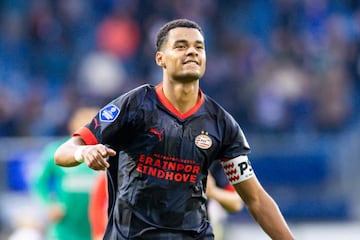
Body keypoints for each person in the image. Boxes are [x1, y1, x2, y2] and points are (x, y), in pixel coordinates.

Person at [54, 18, 295, 239]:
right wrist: (83, 152)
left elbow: (255, 199)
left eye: (199, 47)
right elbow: (63, 153)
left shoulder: (221, 124)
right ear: (160, 58)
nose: (192, 51)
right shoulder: (134, 106)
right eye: (180, 46)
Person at [88, 160, 243, 240]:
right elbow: (103, 196)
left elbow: (236, 203)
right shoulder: (140, 145)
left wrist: (213, 191)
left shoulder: (215, 153)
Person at [32, 107, 100, 240]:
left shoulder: (105, 153)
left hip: (93, 229)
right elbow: (38, 182)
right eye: (84, 123)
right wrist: (50, 204)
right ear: (73, 124)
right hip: (64, 228)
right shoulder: (57, 151)